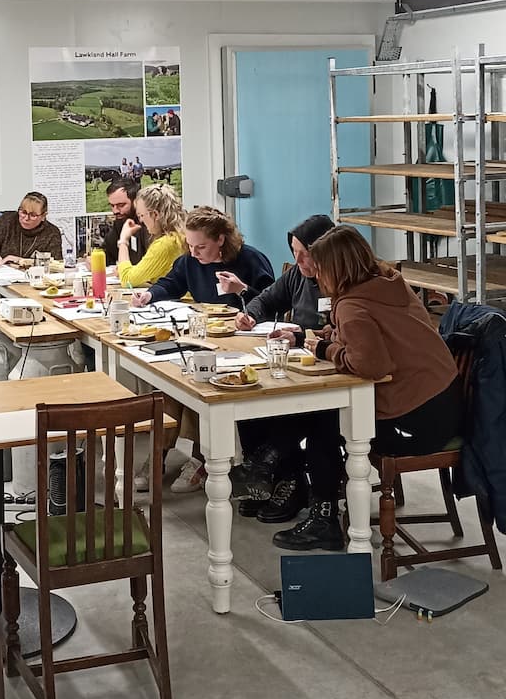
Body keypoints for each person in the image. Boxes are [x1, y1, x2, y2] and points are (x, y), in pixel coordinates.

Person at [273, 225, 462, 553]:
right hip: (444, 405)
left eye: (320, 268)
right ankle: (314, 498)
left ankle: (322, 517)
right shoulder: (387, 282)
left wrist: (327, 350)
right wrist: (315, 339)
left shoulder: (353, 305)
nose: (317, 276)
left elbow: (371, 364)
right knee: (325, 420)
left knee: (324, 424)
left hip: (418, 423)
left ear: (334, 269)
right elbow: (364, 336)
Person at [231, 214, 336, 523]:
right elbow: (266, 300)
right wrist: (250, 315)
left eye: (305, 254)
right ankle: (275, 477)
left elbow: (340, 333)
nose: (299, 260)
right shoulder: (297, 276)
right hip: (299, 362)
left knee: (292, 411)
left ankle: (280, 476)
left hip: (330, 367)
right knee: (249, 404)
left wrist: (303, 338)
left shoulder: (340, 282)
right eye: (294, 252)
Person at [132, 206, 274, 306]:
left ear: (220, 239)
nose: (194, 253)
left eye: (201, 247)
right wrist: (149, 295)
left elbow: (273, 305)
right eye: (190, 245)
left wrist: (241, 289)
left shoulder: (251, 259)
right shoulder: (189, 261)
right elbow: (170, 285)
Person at [117, 183, 186, 288]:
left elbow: (127, 280)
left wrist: (123, 241)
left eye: (141, 215)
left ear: (155, 214)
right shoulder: (180, 235)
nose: (141, 220)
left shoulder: (165, 244)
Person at [0, 191, 62, 266]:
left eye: (33, 215)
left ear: (43, 216)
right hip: (2, 276)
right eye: (23, 212)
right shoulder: (7, 220)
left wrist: (19, 261)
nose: (26, 218)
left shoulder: (52, 233)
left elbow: (55, 265)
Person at [98, 177, 149, 267]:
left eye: (121, 205)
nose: (115, 211)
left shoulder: (149, 224)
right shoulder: (120, 222)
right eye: (112, 206)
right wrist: (98, 259)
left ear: (136, 201)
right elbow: (109, 251)